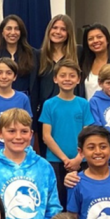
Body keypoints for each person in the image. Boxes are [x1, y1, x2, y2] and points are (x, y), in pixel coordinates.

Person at [40, 60, 94, 208]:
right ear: (55, 79)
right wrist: (65, 159)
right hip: (56, 161)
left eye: (72, 76)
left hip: (81, 161)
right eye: (62, 75)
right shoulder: (49, 104)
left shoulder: (83, 104)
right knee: (59, 201)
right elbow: (46, 136)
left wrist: (78, 158)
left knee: (80, 201)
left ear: (78, 79)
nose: (67, 79)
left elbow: (87, 134)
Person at [35, 14, 81, 157]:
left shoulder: (79, 53)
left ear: (68, 34)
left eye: (63, 29)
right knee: (48, 153)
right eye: (55, 28)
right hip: (47, 113)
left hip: (71, 110)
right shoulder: (38, 55)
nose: (58, 32)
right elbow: (34, 86)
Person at [0, 58, 33, 157]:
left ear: (14, 76)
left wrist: (26, 151)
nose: (4, 77)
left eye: (8, 73)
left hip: (18, 151)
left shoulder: (23, 99)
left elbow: (28, 126)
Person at [0, 15, 39, 99]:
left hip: (25, 103)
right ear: (2, 32)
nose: (13, 32)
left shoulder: (33, 54)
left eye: (17, 29)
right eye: (9, 28)